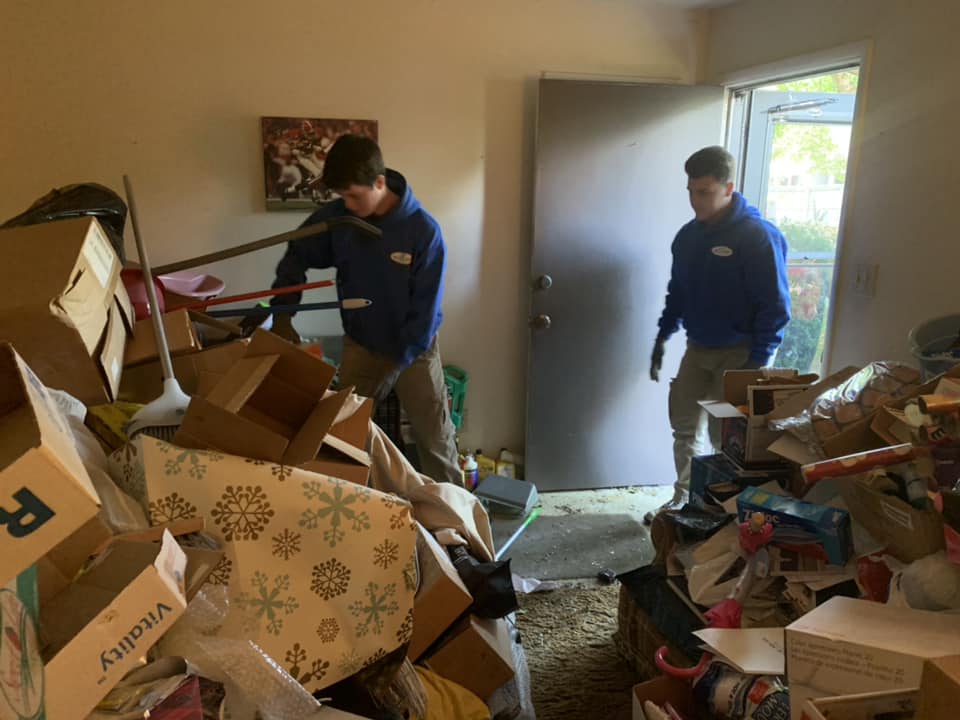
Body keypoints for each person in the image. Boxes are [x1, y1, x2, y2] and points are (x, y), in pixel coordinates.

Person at [264, 134, 463, 487]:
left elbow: (425, 312)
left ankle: (459, 526)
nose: (349, 204)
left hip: (414, 351)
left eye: (355, 195)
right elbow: (296, 254)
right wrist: (283, 315)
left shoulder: (422, 232)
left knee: (436, 441)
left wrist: (397, 361)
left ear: (380, 182)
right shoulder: (340, 221)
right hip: (361, 346)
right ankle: (355, 509)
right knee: (343, 435)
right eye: (343, 196)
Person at [646, 146, 791, 523]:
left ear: (729, 187)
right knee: (683, 425)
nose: (697, 201)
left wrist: (756, 365)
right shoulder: (687, 237)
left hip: (740, 353)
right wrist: (663, 336)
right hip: (698, 347)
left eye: (705, 192)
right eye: (692, 191)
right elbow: (678, 292)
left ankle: (719, 507)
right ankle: (684, 498)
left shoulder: (757, 236)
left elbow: (775, 306)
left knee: (722, 435)